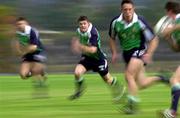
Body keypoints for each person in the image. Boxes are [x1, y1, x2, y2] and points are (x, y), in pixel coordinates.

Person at [109, 0, 169, 114]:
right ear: (121, 10)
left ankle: (132, 106)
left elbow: (154, 39)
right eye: (125, 10)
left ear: (133, 9)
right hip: (126, 54)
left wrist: (149, 53)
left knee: (128, 75)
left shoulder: (140, 21)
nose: (127, 12)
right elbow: (112, 38)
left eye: (130, 9)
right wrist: (114, 53)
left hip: (139, 51)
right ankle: (162, 78)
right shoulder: (115, 22)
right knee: (142, 83)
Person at [69, 15, 126, 103]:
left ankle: (120, 88)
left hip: (98, 59)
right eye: (80, 24)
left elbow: (93, 50)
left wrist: (79, 46)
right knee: (77, 72)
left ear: (88, 24)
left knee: (107, 79)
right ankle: (79, 90)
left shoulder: (93, 32)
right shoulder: (78, 31)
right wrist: (75, 45)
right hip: (87, 58)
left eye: (84, 24)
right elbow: (78, 41)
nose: (83, 26)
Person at [159, 1, 180, 118]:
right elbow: (177, 48)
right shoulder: (176, 26)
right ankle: (172, 111)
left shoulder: (178, 20)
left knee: (175, 80)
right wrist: (169, 38)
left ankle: (172, 112)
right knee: (175, 80)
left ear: (169, 11)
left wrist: (171, 29)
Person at [14, 17, 48, 88]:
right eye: (18, 24)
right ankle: (39, 71)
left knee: (35, 70)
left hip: (38, 52)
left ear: (26, 24)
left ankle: (40, 71)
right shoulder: (18, 33)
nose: (20, 25)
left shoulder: (32, 31)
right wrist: (18, 50)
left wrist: (23, 52)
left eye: (21, 24)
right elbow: (17, 42)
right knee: (23, 75)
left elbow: (34, 47)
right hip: (28, 52)